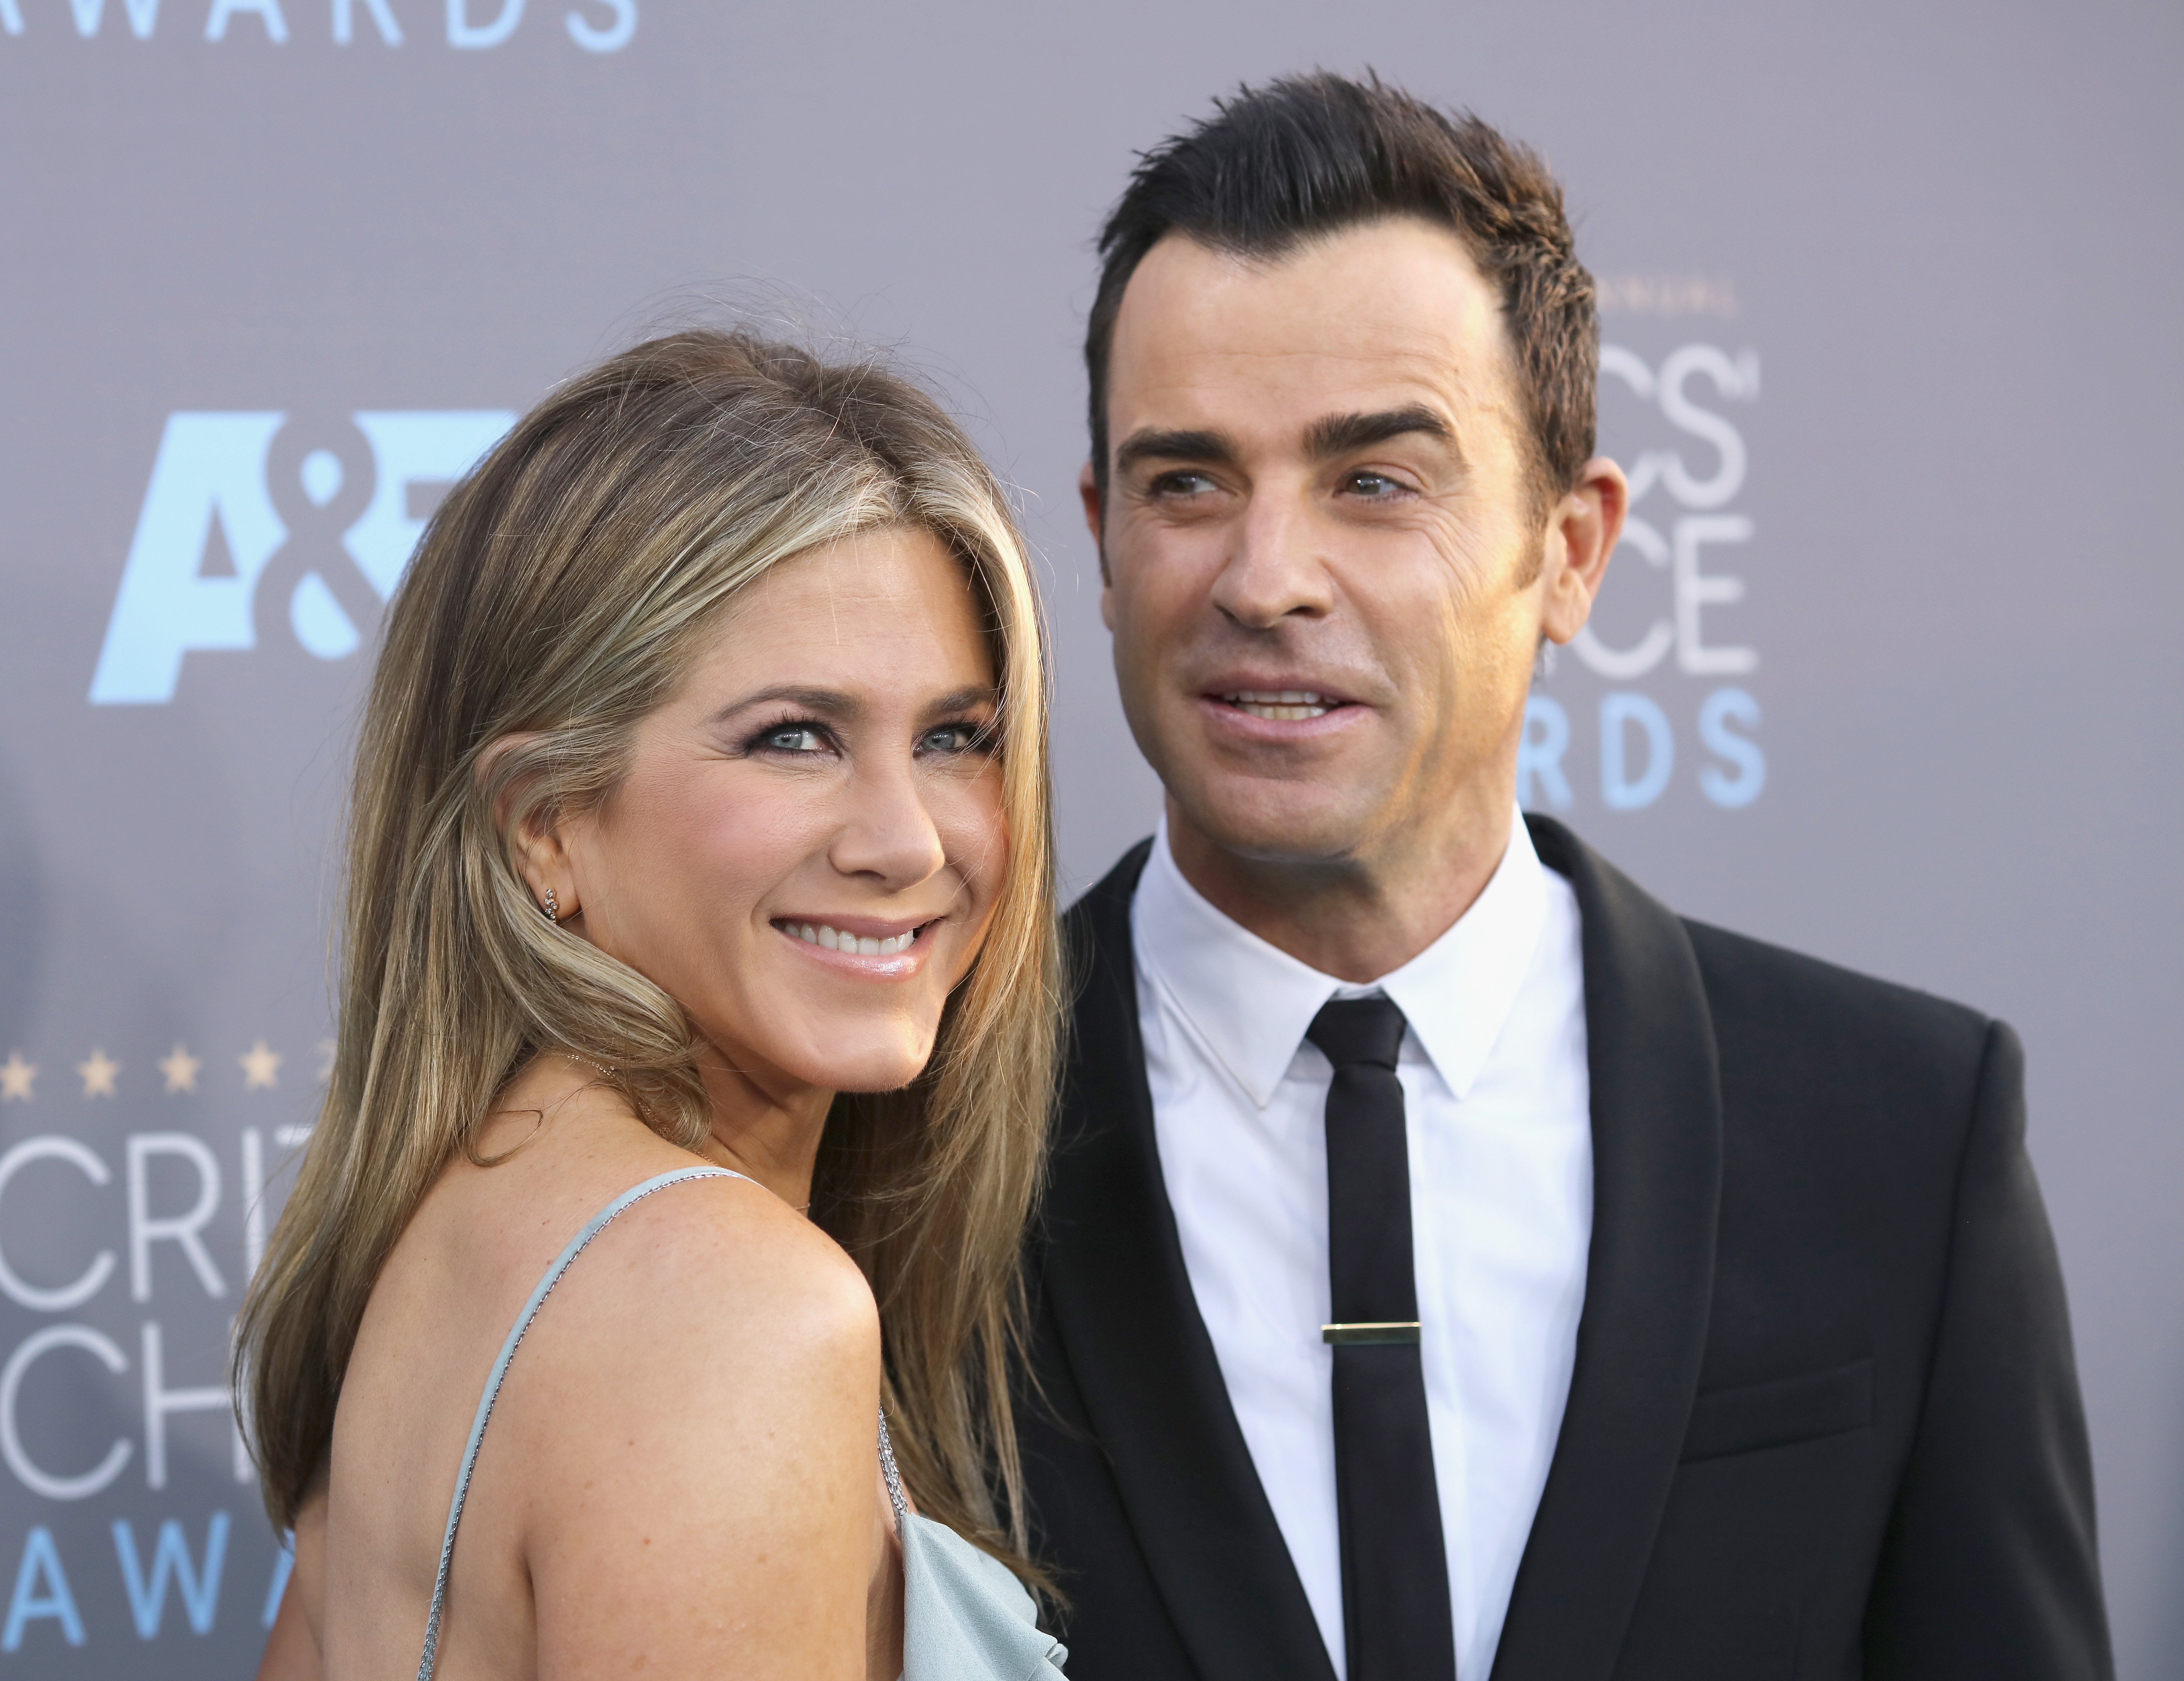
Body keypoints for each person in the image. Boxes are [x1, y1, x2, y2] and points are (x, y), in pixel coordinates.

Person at [1016, 72, 2111, 1681]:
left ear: (1572, 550)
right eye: (1188, 482)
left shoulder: (1903, 1134)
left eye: (1375, 480)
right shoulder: (910, 1140)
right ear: (1106, 542)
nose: (1264, 578)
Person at [235, 329, 1070, 1680]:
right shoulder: (730, 1313)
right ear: (545, 824)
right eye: (794, 736)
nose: (906, 839)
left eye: (954, 737)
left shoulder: (443, 1236)